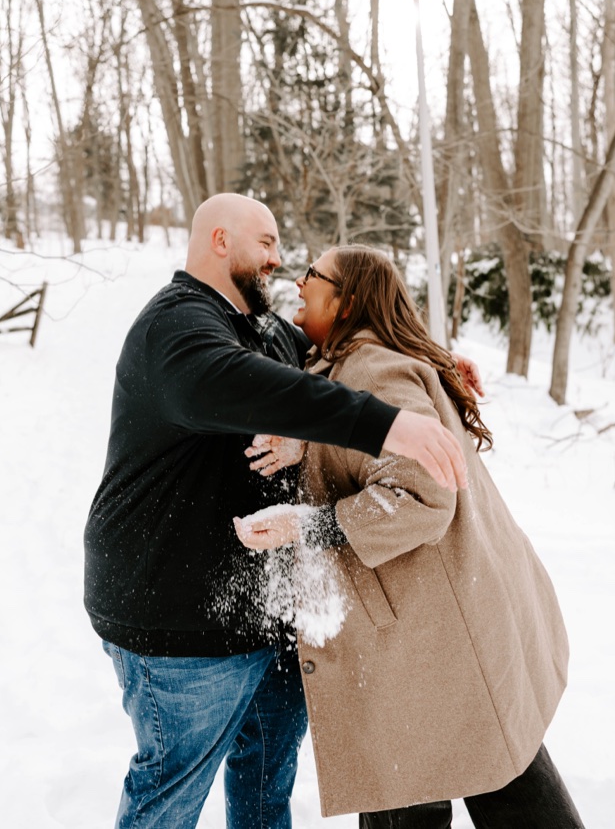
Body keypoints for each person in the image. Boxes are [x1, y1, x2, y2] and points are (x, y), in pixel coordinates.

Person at [85, 194, 469, 829]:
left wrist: (436, 368)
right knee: (169, 793)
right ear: (217, 240)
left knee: (265, 777)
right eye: (264, 242)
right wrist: (385, 427)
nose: (277, 258)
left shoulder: (264, 325)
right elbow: (253, 385)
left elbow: (339, 361)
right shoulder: (177, 329)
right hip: (178, 624)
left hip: (268, 612)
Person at [233, 245, 579, 827]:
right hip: (444, 627)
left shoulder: (375, 369)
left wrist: (312, 524)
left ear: (346, 302)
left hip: (429, 635)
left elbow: (423, 495)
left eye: (314, 275)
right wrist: (311, 442)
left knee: (436, 783)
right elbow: (366, 434)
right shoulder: (360, 361)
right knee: (494, 768)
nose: (299, 280)